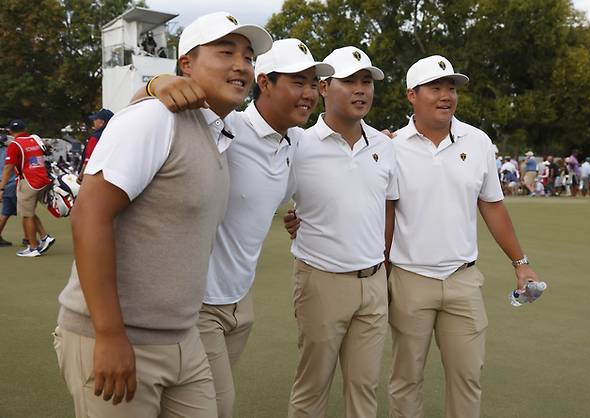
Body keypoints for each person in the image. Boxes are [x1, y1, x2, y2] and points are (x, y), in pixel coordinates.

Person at [53, 12, 272, 418]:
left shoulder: (220, 130)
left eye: (247, 56)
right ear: (186, 63)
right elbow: (89, 216)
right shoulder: (154, 119)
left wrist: (151, 85)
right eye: (226, 52)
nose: (241, 65)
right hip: (121, 338)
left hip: (183, 339)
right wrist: (109, 334)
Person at [142, 37, 333, 418]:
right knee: (216, 408)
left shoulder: (297, 141)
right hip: (198, 303)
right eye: (298, 82)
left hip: (239, 303)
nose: (310, 93)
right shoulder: (226, 127)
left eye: (314, 83)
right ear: (264, 83)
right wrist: (154, 84)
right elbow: (161, 113)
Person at [385, 55, 540, 418]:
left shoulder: (479, 141)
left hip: (463, 280)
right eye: (436, 88)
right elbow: (379, 209)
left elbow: (492, 205)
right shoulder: (390, 146)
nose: (446, 96)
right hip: (409, 279)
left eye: (451, 88)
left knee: (468, 377)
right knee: (406, 379)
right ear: (412, 95)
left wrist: (521, 263)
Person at [286, 46, 397, 418]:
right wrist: (291, 216)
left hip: (373, 282)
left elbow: (387, 206)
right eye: (349, 80)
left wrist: (384, 265)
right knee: (312, 387)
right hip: (321, 279)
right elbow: (272, 194)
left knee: (364, 388)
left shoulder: (385, 145)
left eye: (366, 81)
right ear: (323, 87)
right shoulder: (299, 143)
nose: (360, 89)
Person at [0, 119, 55, 257]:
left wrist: (1, 188)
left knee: (26, 215)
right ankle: (44, 237)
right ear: (25, 128)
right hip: (42, 179)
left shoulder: (15, 144)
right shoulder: (34, 140)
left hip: (28, 182)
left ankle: (33, 247)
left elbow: (8, 168)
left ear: (11, 131)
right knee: (29, 212)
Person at [78, 108, 114, 183]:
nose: (94, 121)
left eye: (96, 119)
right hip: (111, 177)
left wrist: (81, 177)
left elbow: (88, 159)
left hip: (93, 177)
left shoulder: (96, 137)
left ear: (102, 122)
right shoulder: (113, 135)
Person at [0, 132, 17, 246]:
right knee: (28, 213)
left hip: (5, 185)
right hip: (10, 184)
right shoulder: (7, 151)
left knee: (6, 212)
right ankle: (32, 238)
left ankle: (28, 237)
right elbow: (8, 168)